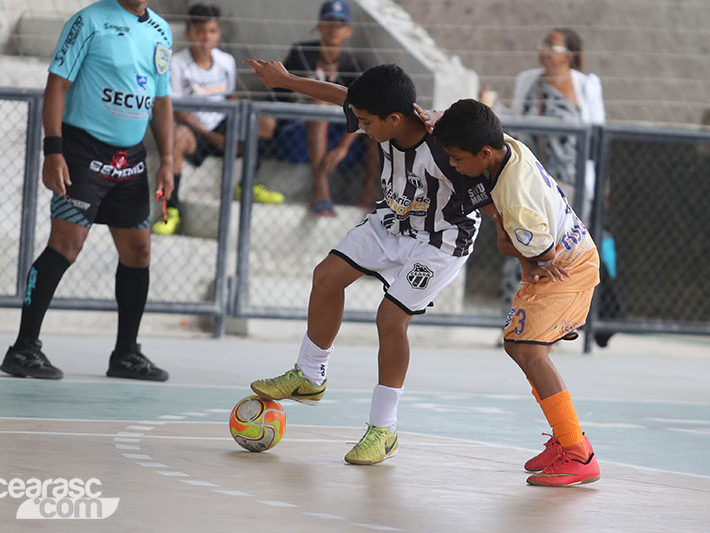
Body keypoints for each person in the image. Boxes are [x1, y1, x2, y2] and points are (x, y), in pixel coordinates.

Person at [244, 59, 493, 464]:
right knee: (326, 276)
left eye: (366, 122)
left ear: (394, 119)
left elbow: (490, 189)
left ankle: (383, 429)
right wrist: (287, 80)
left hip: (440, 242)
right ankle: (310, 374)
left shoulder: (443, 148)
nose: (360, 127)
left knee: (390, 319)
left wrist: (524, 250)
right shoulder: (379, 112)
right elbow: (342, 96)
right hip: (392, 221)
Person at [0, 0, 173, 381]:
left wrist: (169, 161)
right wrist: (53, 150)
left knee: (139, 251)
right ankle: (23, 348)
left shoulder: (161, 30)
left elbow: (162, 101)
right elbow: (57, 85)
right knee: (65, 246)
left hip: (131, 159)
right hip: (83, 150)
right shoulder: (89, 21)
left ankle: (125, 354)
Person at [429, 98, 600, 486]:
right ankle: (565, 437)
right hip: (564, 256)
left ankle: (578, 453)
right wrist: (438, 118)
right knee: (519, 345)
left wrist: (509, 242)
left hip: (565, 267)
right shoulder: (506, 146)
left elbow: (538, 254)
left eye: (456, 158)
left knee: (528, 349)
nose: (453, 165)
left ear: (483, 153)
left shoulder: (516, 196)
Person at [503, 28, 606, 340]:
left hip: (571, 183)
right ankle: (515, 321)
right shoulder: (529, 80)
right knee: (523, 246)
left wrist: (603, 183)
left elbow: (597, 133)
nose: (545, 50)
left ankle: (558, 325)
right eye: (544, 44)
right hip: (534, 181)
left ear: (570, 55)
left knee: (565, 255)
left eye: (553, 46)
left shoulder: (586, 85)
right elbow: (518, 119)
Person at [153, 2, 284, 235]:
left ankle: (247, 184)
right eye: (200, 31)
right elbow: (177, 110)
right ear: (189, 33)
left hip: (223, 126)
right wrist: (211, 137)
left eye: (212, 31)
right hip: (195, 130)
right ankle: (171, 211)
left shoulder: (226, 61)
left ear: (219, 33)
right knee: (176, 137)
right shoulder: (177, 64)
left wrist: (240, 116)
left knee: (263, 122)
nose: (206, 37)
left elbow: (228, 95)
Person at [277, 0, 380, 217]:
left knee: (380, 123)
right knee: (319, 104)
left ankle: (369, 193)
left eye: (340, 24)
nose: (334, 29)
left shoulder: (352, 64)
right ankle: (321, 191)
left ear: (348, 31)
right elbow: (279, 96)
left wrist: (343, 147)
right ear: (320, 26)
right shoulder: (301, 54)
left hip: (341, 134)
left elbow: (364, 110)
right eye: (329, 22)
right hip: (298, 132)